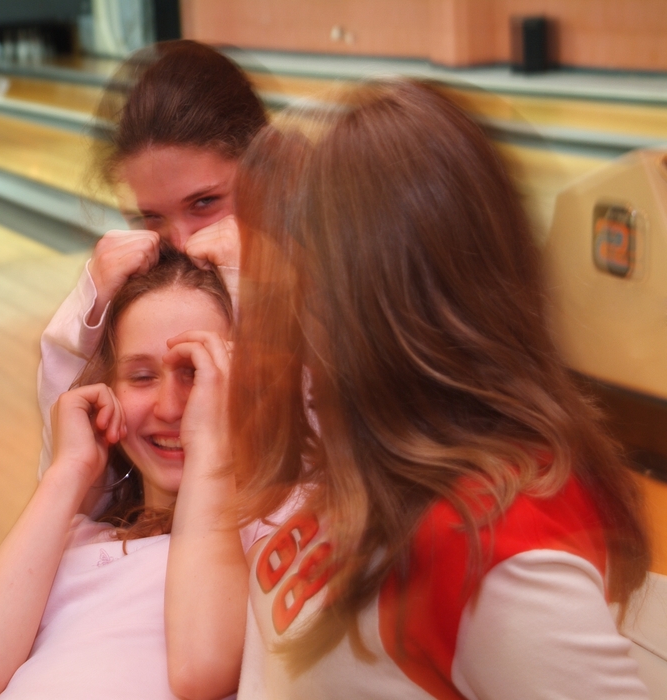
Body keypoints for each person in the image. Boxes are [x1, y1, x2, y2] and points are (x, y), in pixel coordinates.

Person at [229, 79, 651, 697]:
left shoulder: (499, 564)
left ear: (384, 312)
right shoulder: (380, 450)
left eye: (307, 284)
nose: (295, 316)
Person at [0, 251, 260, 700]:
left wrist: (211, 442)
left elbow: (201, 670)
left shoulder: (264, 536)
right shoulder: (75, 536)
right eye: (142, 376)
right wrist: (67, 472)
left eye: (197, 373)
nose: (169, 407)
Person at [37, 39, 268, 481]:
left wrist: (252, 289)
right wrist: (84, 316)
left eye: (204, 202)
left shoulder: (332, 284)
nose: (180, 241)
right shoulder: (128, 298)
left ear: (262, 170)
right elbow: (75, 480)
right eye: (151, 216)